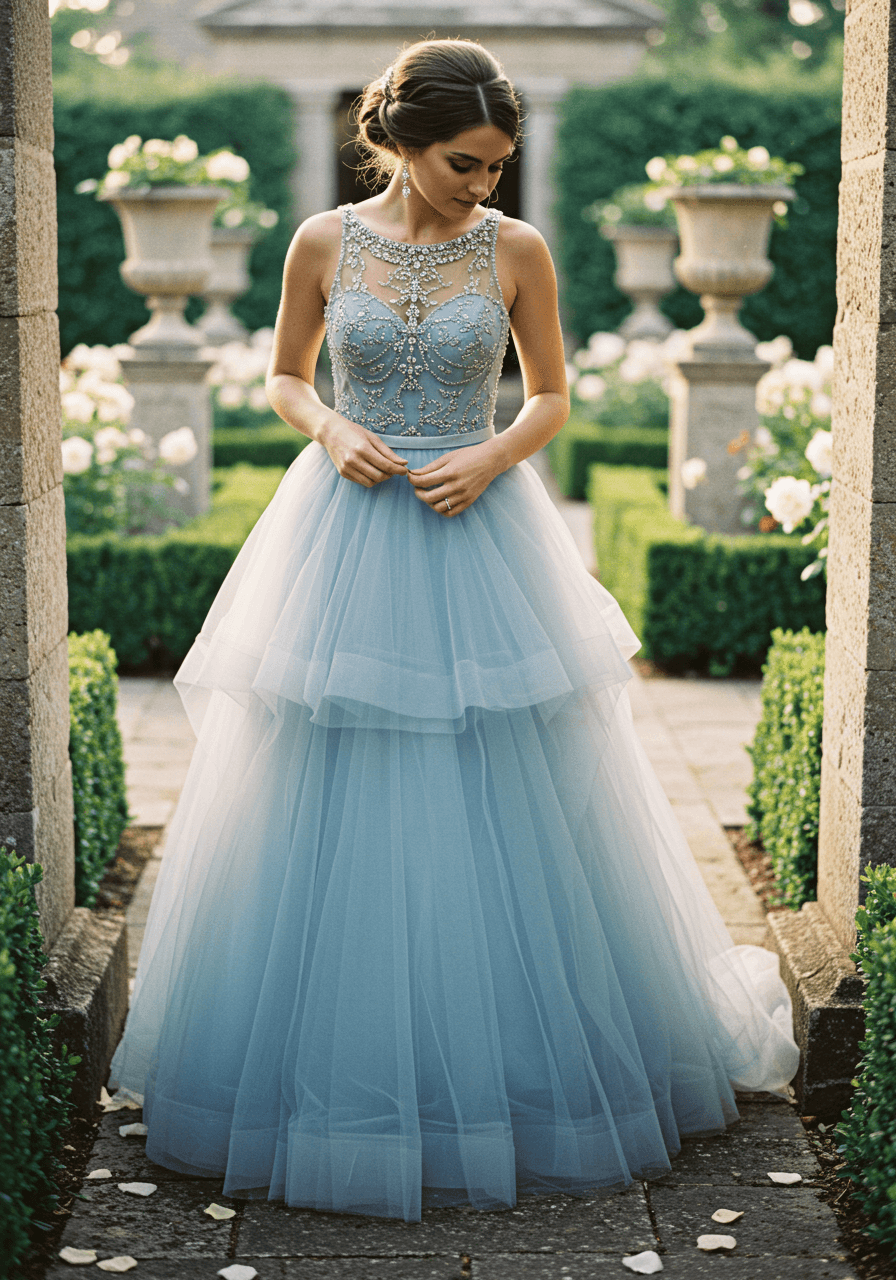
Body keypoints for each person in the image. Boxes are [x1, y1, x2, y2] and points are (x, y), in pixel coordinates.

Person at [109, 38, 800, 1225]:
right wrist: (328, 430)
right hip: (345, 524)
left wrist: (488, 454)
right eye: (463, 163)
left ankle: (526, 1069)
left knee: (508, 777)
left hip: (483, 527)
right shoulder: (322, 242)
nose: (483, 184)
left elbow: (550, 395)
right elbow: (283, 375)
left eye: (495, 166)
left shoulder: (516, 249)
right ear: (399, 140)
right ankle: (324, 1072)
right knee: (325, 773)